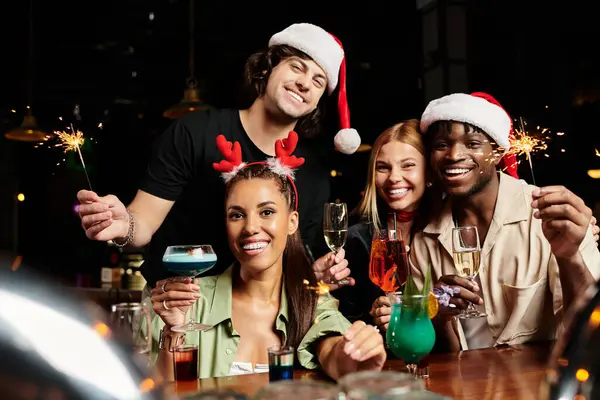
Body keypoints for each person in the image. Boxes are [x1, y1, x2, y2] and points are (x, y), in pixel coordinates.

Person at [76, 23, 361, 288]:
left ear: (318, 102)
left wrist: (317, 275)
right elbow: (143, 224)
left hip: (262, 321)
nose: (304, 83)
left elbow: (295, 265)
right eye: (297, 68)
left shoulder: (313, 173)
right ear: (268, 68)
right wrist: (124, 225)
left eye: (318, 81)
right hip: (178, 307)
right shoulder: (194, 132)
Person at [149, 132, 385, 379]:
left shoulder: (312, 302)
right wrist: (173, 328)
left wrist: (356, 355)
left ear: (292, 222)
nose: (250, 227)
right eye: (237, 215)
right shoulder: (192, 301)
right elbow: (157, 388)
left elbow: (335, 352)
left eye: (267, 212)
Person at [406, 91, 600, 351]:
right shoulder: (424, 239)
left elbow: (591, 333)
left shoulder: (551, 217)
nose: (453, 155)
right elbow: (433, 351)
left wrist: (570, 256)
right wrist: (439, 316)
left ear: (496, 153)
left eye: (473, 144)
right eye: (441, 145)